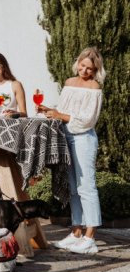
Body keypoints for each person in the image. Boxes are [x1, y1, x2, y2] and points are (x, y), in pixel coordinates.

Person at [41, 47, 105, 254]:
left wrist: (60, 115)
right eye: (82, 65)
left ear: (95, 70)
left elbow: (88, 120)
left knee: (86, 186)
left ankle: (90, 238)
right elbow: (63, 110)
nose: (84, 70)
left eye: (89, 68)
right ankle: (76, 232)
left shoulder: (94, 87)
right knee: (73, 188)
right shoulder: (69, 82)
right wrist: (49, 111)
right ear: (78, 61)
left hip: (83, 138)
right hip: (65, 137)